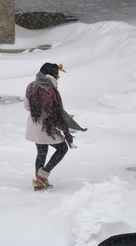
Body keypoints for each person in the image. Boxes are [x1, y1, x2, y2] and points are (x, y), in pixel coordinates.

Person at [24, 63, 87, 191]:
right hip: (45, 126)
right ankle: (43, 175)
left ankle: (39, 182)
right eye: (57, 76)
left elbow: (26, 106)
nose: (58, 78)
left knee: (42, 152)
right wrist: (66, 123)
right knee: (62, 148)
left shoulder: (31, 86)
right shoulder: (48, 88)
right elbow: (53, 111)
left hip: (34, 124)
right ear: (51, 75)